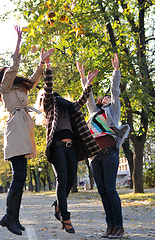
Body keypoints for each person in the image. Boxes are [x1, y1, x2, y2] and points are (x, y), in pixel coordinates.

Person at [0, 25, 54, 236]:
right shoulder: (5, 87)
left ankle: (12, 217)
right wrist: (18, 43)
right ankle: (10, 217)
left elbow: (34, 81)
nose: (11, 75)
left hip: (22, 129)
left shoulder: (20, 88)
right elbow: (13, 68)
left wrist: (42, 63)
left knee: (20, 177)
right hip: (16, 130)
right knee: (18, 176)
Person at [37, 55, 100, 234]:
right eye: (43, 95)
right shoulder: (50, 105)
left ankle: (58, 205)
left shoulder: (69, 106)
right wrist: (47, 67)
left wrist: (87, 84)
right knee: (62, 181)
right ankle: (65, 217)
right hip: (57, 148)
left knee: (71, 180)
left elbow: (80, 102)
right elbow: (48, 88)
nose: (45, 95)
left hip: (71, 148)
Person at [77, 54, 130, 239]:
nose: (108, 97)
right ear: (101, 101)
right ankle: (110, 226)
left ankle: (119, 226)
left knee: (110, 190)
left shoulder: (113, 111)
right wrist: (83, 77)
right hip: (94, 156)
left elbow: (115, 91)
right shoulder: (93, 113)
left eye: (109, 97)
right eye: (105, 97)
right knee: (102, 191)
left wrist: (116, 71)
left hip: (109, 153)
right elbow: (88, 96)